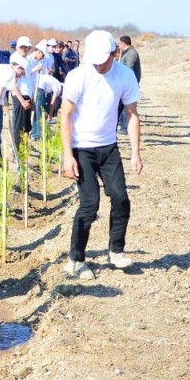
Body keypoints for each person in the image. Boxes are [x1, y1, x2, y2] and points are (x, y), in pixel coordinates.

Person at [60, 30, 142, 280]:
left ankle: (116, 250)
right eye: (94, 59)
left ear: (115, 54)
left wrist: (135, 152)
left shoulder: (125, 76)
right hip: (81, 148)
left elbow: (131, 114)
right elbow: (65, 115)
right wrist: (67, 155)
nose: (98, 64)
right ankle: (75, 260)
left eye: (103, 59)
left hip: (108, 147)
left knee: (121, 198)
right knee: (89, 205)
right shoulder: (78, 75)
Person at [117, 35, 142, 135]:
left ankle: (124, 128)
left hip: (128, 84)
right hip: (125, 84)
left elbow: (129, 70)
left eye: (119, 44)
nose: (119, 46)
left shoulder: (131, 54)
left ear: (123, 43)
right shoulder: (126, 53)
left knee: (125, 107)